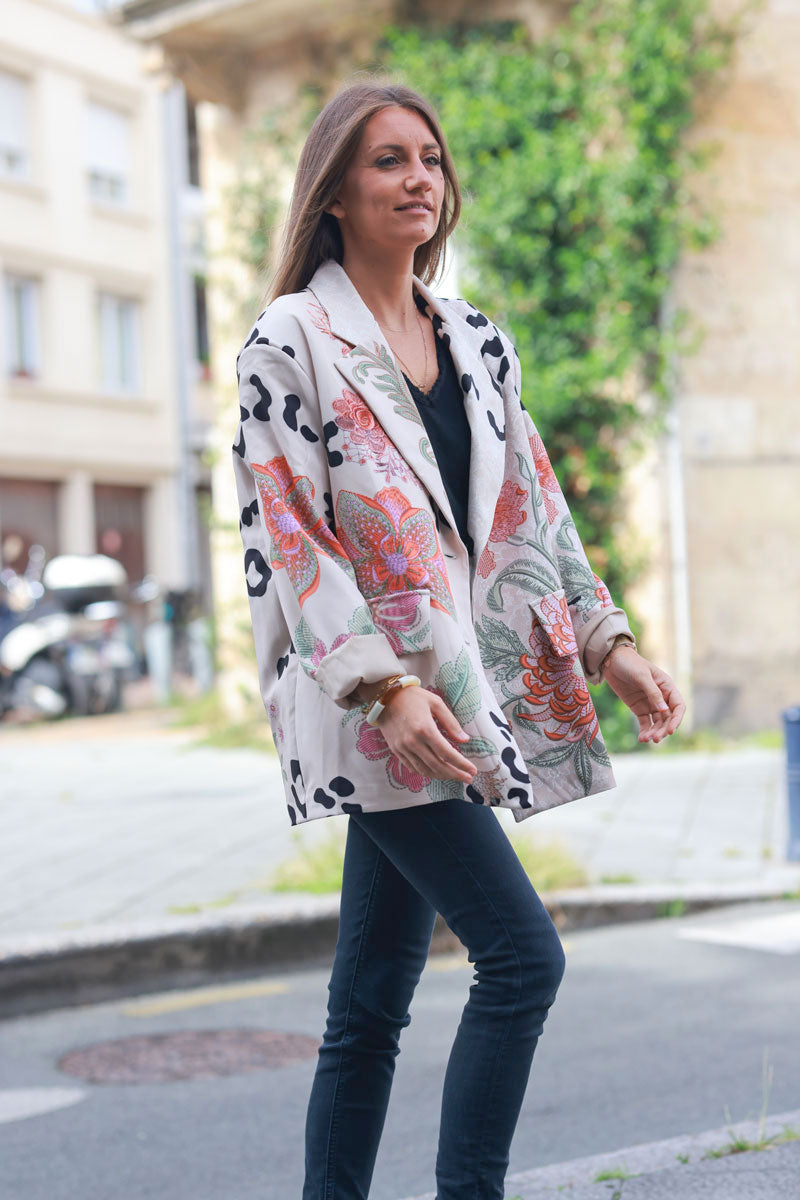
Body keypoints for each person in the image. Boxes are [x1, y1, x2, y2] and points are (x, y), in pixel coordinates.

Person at [232, 80, 685, 1200]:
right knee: (523, 958)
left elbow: (529, 505)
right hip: (373, 709)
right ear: (334, 189)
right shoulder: (288, 340)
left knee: (370, 999)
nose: (417, 180)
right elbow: (290, 537)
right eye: (387, 160)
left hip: (460, 695)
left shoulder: (476, 340)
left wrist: (604, 639)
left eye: (429, 159)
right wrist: (380, 687)